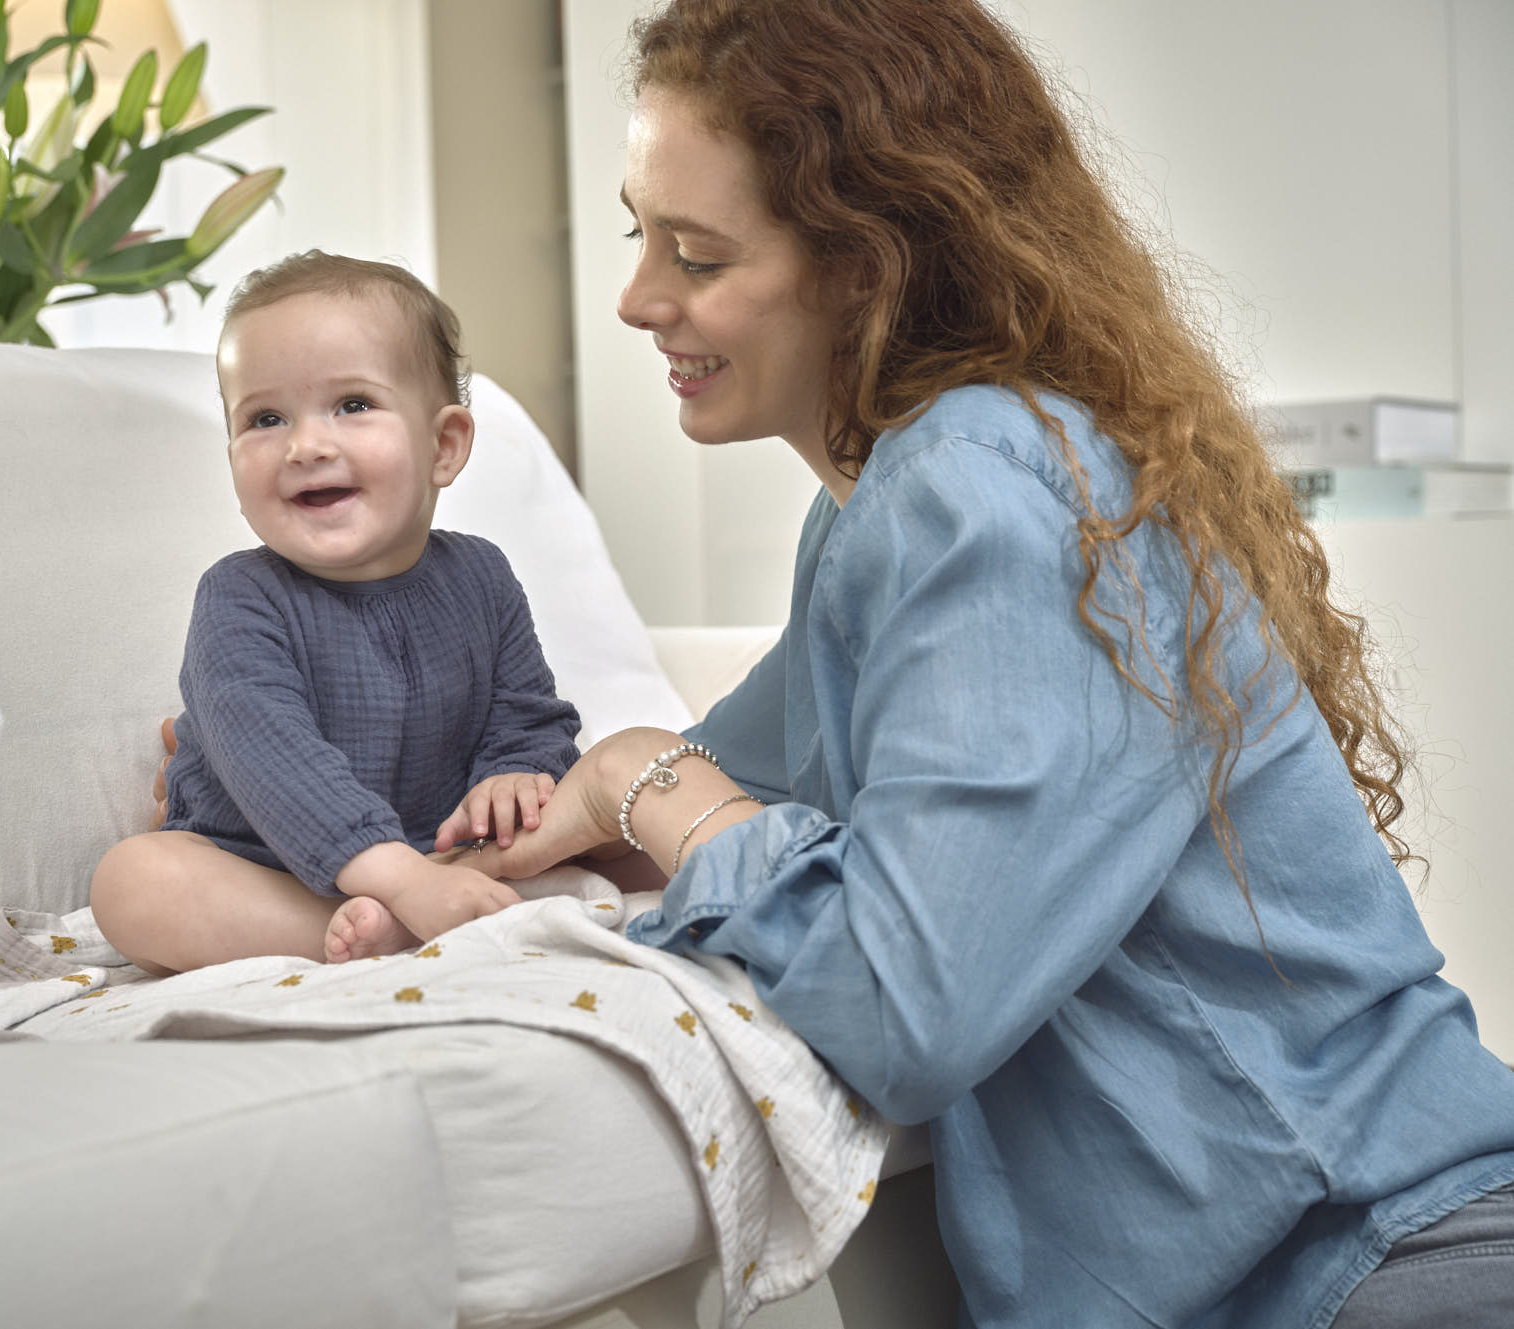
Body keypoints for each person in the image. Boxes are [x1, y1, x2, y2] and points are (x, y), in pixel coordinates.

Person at [438, 2, 1514, 1325]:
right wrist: (370, 831)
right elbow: (722, 798)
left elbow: (899, 1000)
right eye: (638, 232)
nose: (637, 297)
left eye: (696, 254)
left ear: (865, 263)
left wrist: (634, 779)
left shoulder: (988, 487)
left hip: (1379, 1263)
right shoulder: (885, 508)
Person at [94, 251, 581, 974]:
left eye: (353, 405)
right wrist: (403, 881)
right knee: (133, 882)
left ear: (443, 445)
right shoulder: (239, 597)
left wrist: (514, 771)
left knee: (608, 797)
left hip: (442, 851)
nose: (306, 445)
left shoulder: (482, 575)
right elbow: (277, 759)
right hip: (265, 866)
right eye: (264, 418)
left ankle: (418, 909)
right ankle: (364, 923)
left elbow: (527, 715)